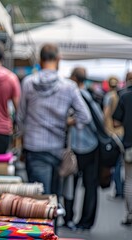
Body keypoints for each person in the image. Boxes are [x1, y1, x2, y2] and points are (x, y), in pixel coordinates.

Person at [16, 44, 91, 195]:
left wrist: (22, 140)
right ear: (58, 59)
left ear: (40, 59)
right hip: (57, 149)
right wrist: (68, 122)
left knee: (38, 201)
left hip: (34, 147)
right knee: (54, 199)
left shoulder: (28, 83)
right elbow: (85, 116)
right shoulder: (69, 86)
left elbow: (20, 117)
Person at [63, 67, 101, 231]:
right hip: (92, 145)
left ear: (73, 78)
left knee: (70, 183)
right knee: (90, 185)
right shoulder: (91, 96)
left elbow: (84, 118)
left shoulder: (72, 94)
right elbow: (98, 119)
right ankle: (86, 221)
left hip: (76, 146)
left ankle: (69, 217)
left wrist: (71, 122)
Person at [113, 72, 132, 225]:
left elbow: (116, 122)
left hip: (129, 145)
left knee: (129, 181)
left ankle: (130, 214)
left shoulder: (125, 97)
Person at [103, 76, 124, 199]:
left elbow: (105, 115)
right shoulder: (120, 96)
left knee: (115, 164)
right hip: (121, 132)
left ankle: (118, 189)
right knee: (120, 164)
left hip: (111, 133)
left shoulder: (108, 97)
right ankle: (120, 188)